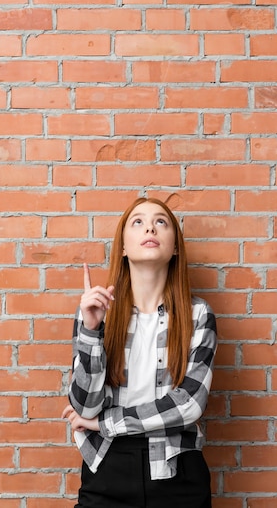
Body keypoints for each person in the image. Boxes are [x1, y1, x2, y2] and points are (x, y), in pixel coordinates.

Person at [62, 196, 217, 508]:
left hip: (177, 472)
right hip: (107, 470)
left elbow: (188, 404)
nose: (150, 226)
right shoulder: (96, 311)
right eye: (138, 221)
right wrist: (92, 330)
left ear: (175, 247)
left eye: (161, 221)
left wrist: (104, 424)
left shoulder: (197, 314)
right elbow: (85, 406)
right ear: (123, 247)